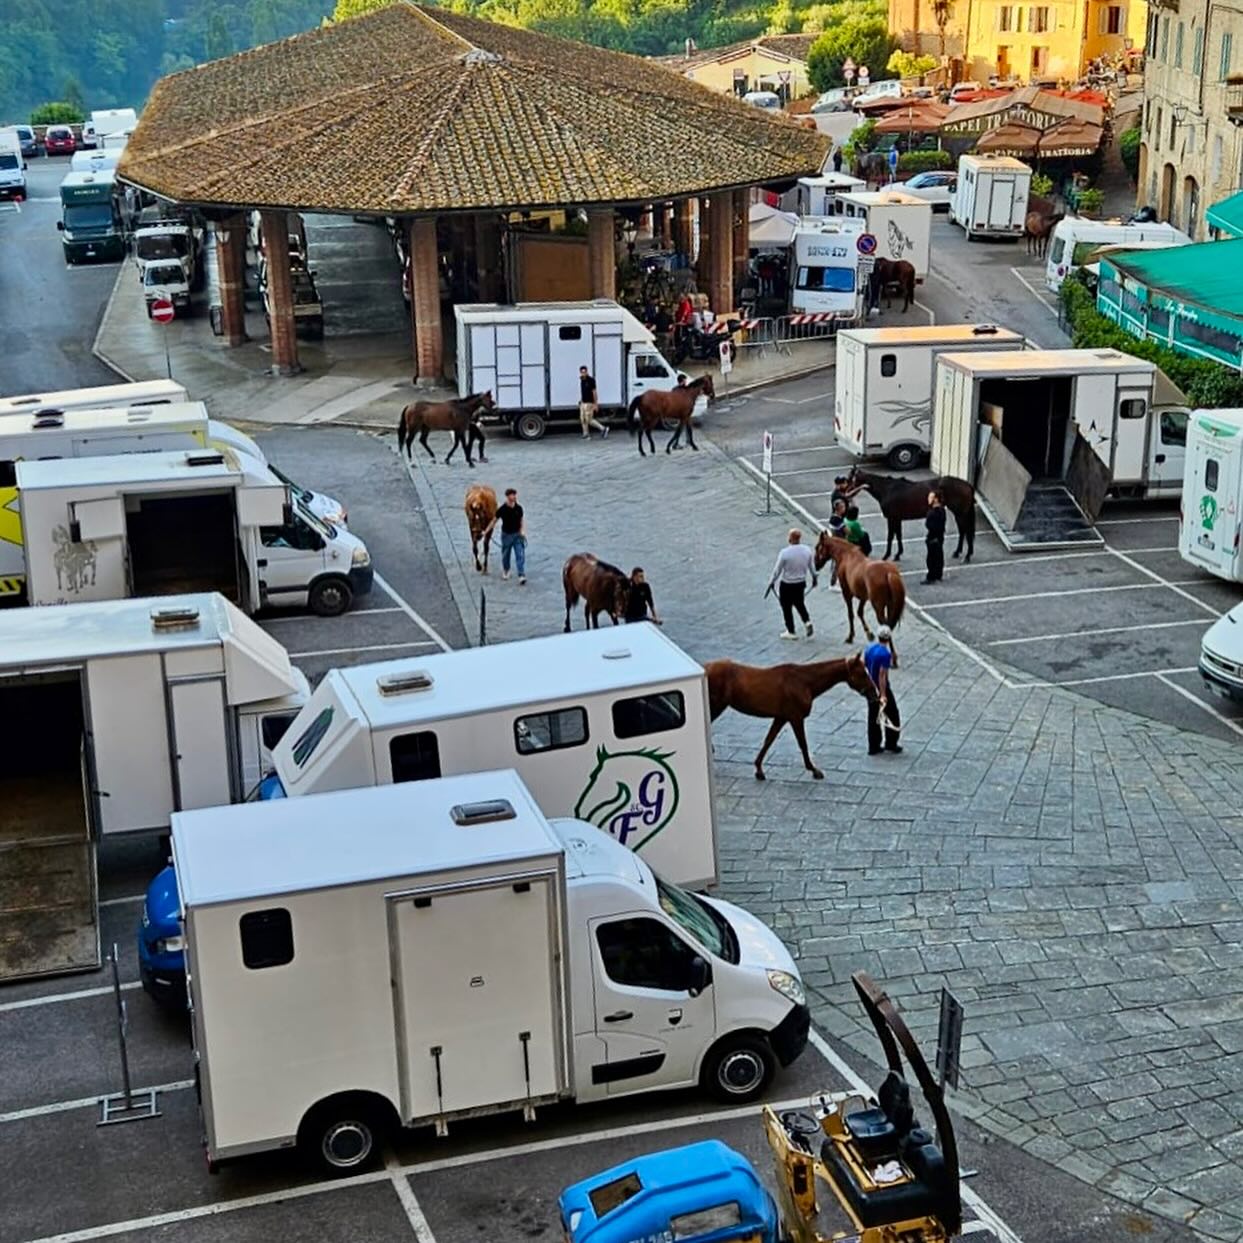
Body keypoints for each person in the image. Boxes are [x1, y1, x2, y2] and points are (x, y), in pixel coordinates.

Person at [767, 528, 817, 639]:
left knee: (786, 606)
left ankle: (791, 631)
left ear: (790, 538)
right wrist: (814, 578)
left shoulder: (785, 553)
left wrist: (771, 582)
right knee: (800, 603)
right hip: (800, 583)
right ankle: (807, 621)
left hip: (787, 584)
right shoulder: (807, 550)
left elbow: (777, 570)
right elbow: (812, 567)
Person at [864, 625, 902, 755]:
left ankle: (873, 745)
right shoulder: (885, 654)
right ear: (888, 638)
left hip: (870, 687)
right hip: (881, 688)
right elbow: (882, 675)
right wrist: (883, 694)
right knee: (892, 714)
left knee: (873, 717)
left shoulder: (869, 648)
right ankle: (891, 742)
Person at [491, 487, 526, 584]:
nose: (514, 497)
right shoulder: (502, 509)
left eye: (514, 495)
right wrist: (486, 532)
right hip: (506, 535)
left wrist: (522, 531)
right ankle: (506, 570)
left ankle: (521, 574)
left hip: (517, 535)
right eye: (512, 495)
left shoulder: (519, 508)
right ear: (507, 496)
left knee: (520, 554)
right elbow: (494, 520)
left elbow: (521, 520)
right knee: (506, 554)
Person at [578, 365, 608, 439]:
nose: (583, 374)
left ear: (587, 372)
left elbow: (594, 392)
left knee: (589, 419)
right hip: (583, 402)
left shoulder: (591, 380)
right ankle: (585, 434)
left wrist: (595, 404)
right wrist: (581, 400)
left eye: (584, 372)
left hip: (589, 403)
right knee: (583, 419)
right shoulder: (582, 380)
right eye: (582, 372)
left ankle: (603, 429)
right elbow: (583, 392)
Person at [924, 489, 946, 584]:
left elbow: (934, 526)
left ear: (936, 499)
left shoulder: (936, 512)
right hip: (937, 537)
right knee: (937, 557)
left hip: (934, 537)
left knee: (932, 558)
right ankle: (937, 575)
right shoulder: (940, 510)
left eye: (931, 497)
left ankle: (932, 576)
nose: (928, 499)